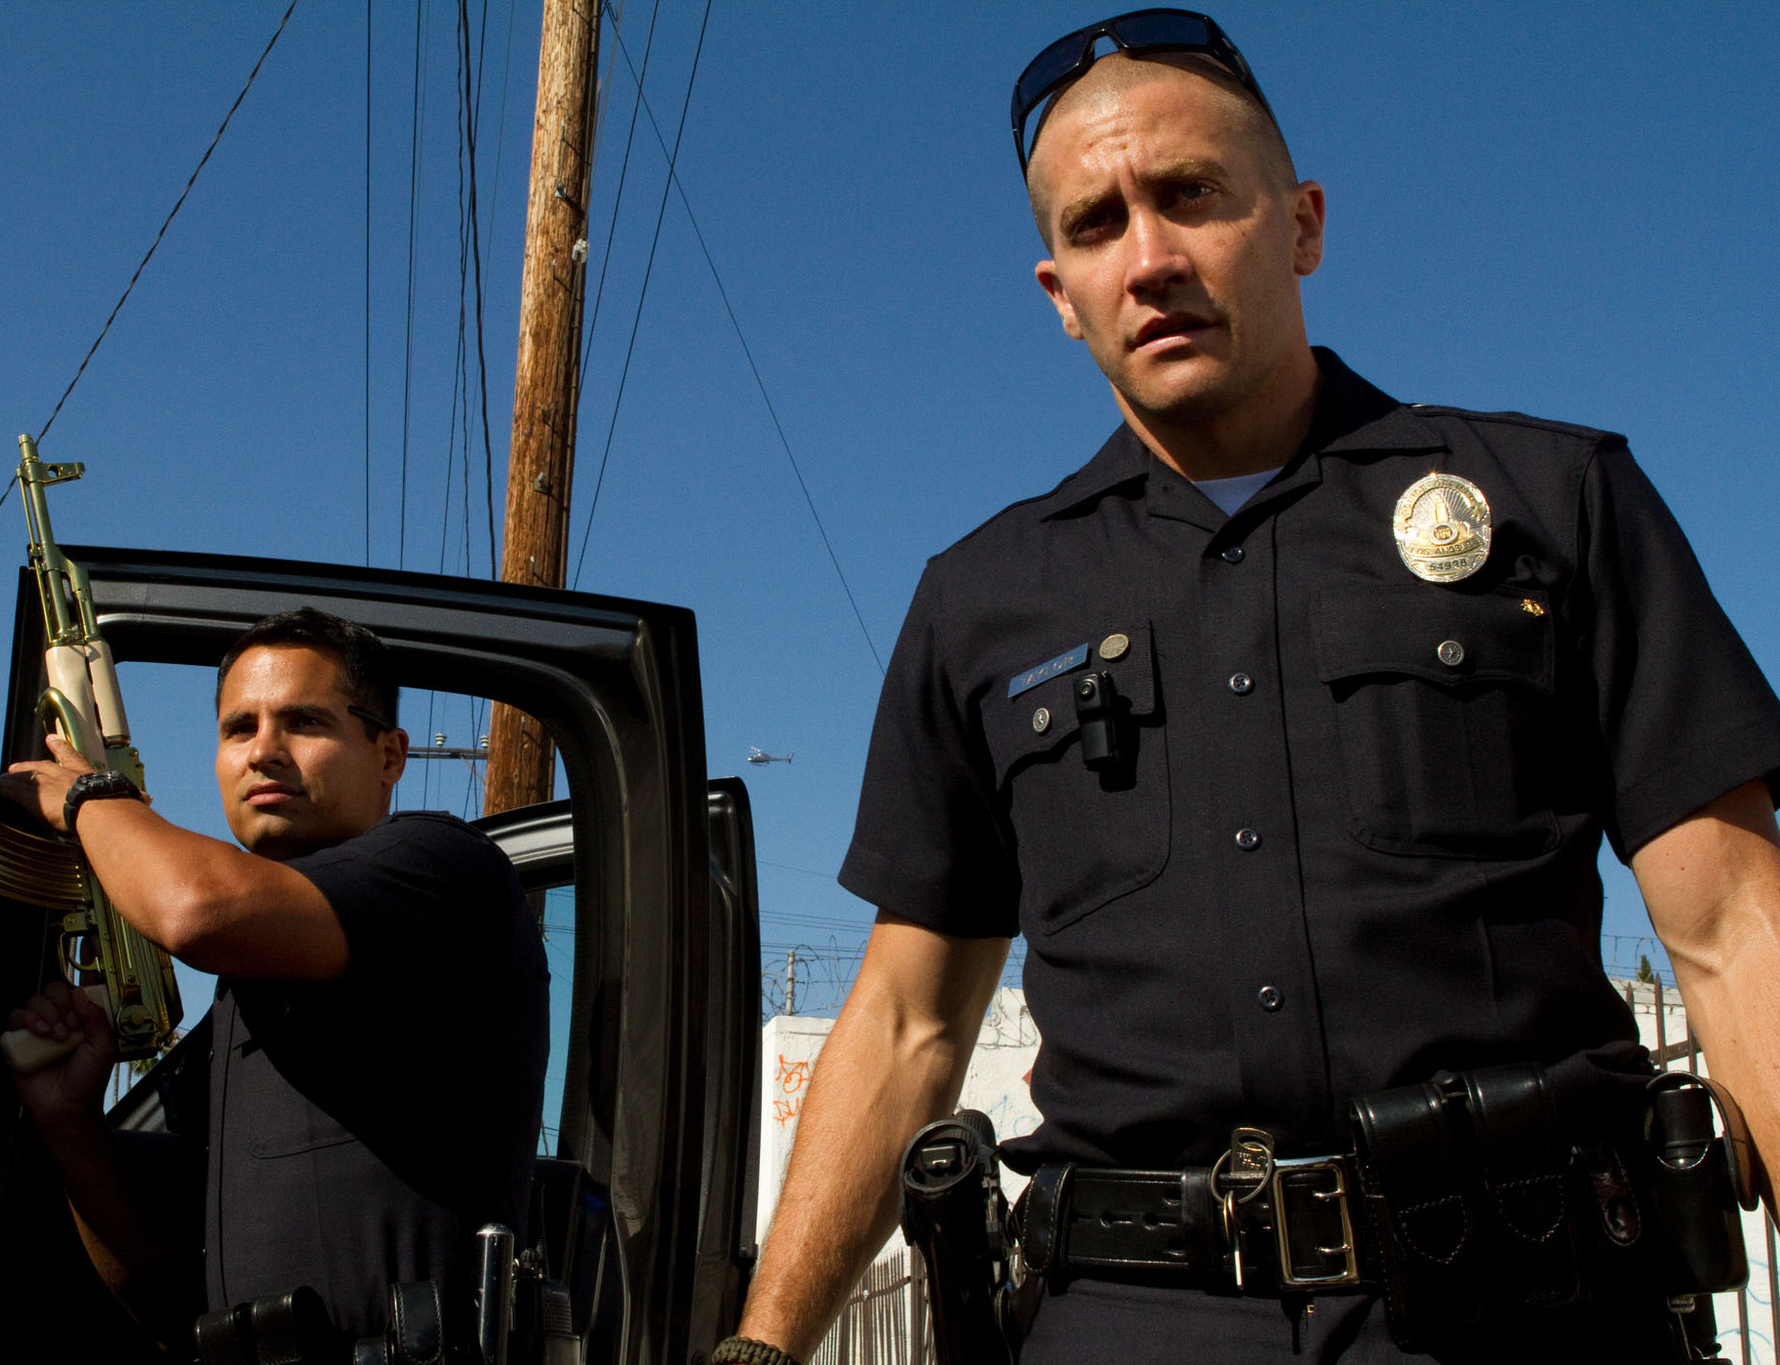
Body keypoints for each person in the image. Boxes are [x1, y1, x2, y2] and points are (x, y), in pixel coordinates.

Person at [721, 11, 1780, 1364]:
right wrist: (761, 1347)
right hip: (1128, 1314)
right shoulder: (980, 601)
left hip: (1528, 1301)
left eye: (1194, 196)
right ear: (1059, 292)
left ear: (1302, 225)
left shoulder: (1556, 504)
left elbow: (1736, 929)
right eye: (1097, 225)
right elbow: (910, 1021)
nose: (1150, 257)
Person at [0, 607, 550, 1346]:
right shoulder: (238, 1007)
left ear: (390, 755)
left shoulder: (442, 866)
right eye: (238, 728)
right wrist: (71, 1124)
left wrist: (88, 797)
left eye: (305, 722)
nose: (263, 752)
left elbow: (195, 908)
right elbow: (161, 1291)